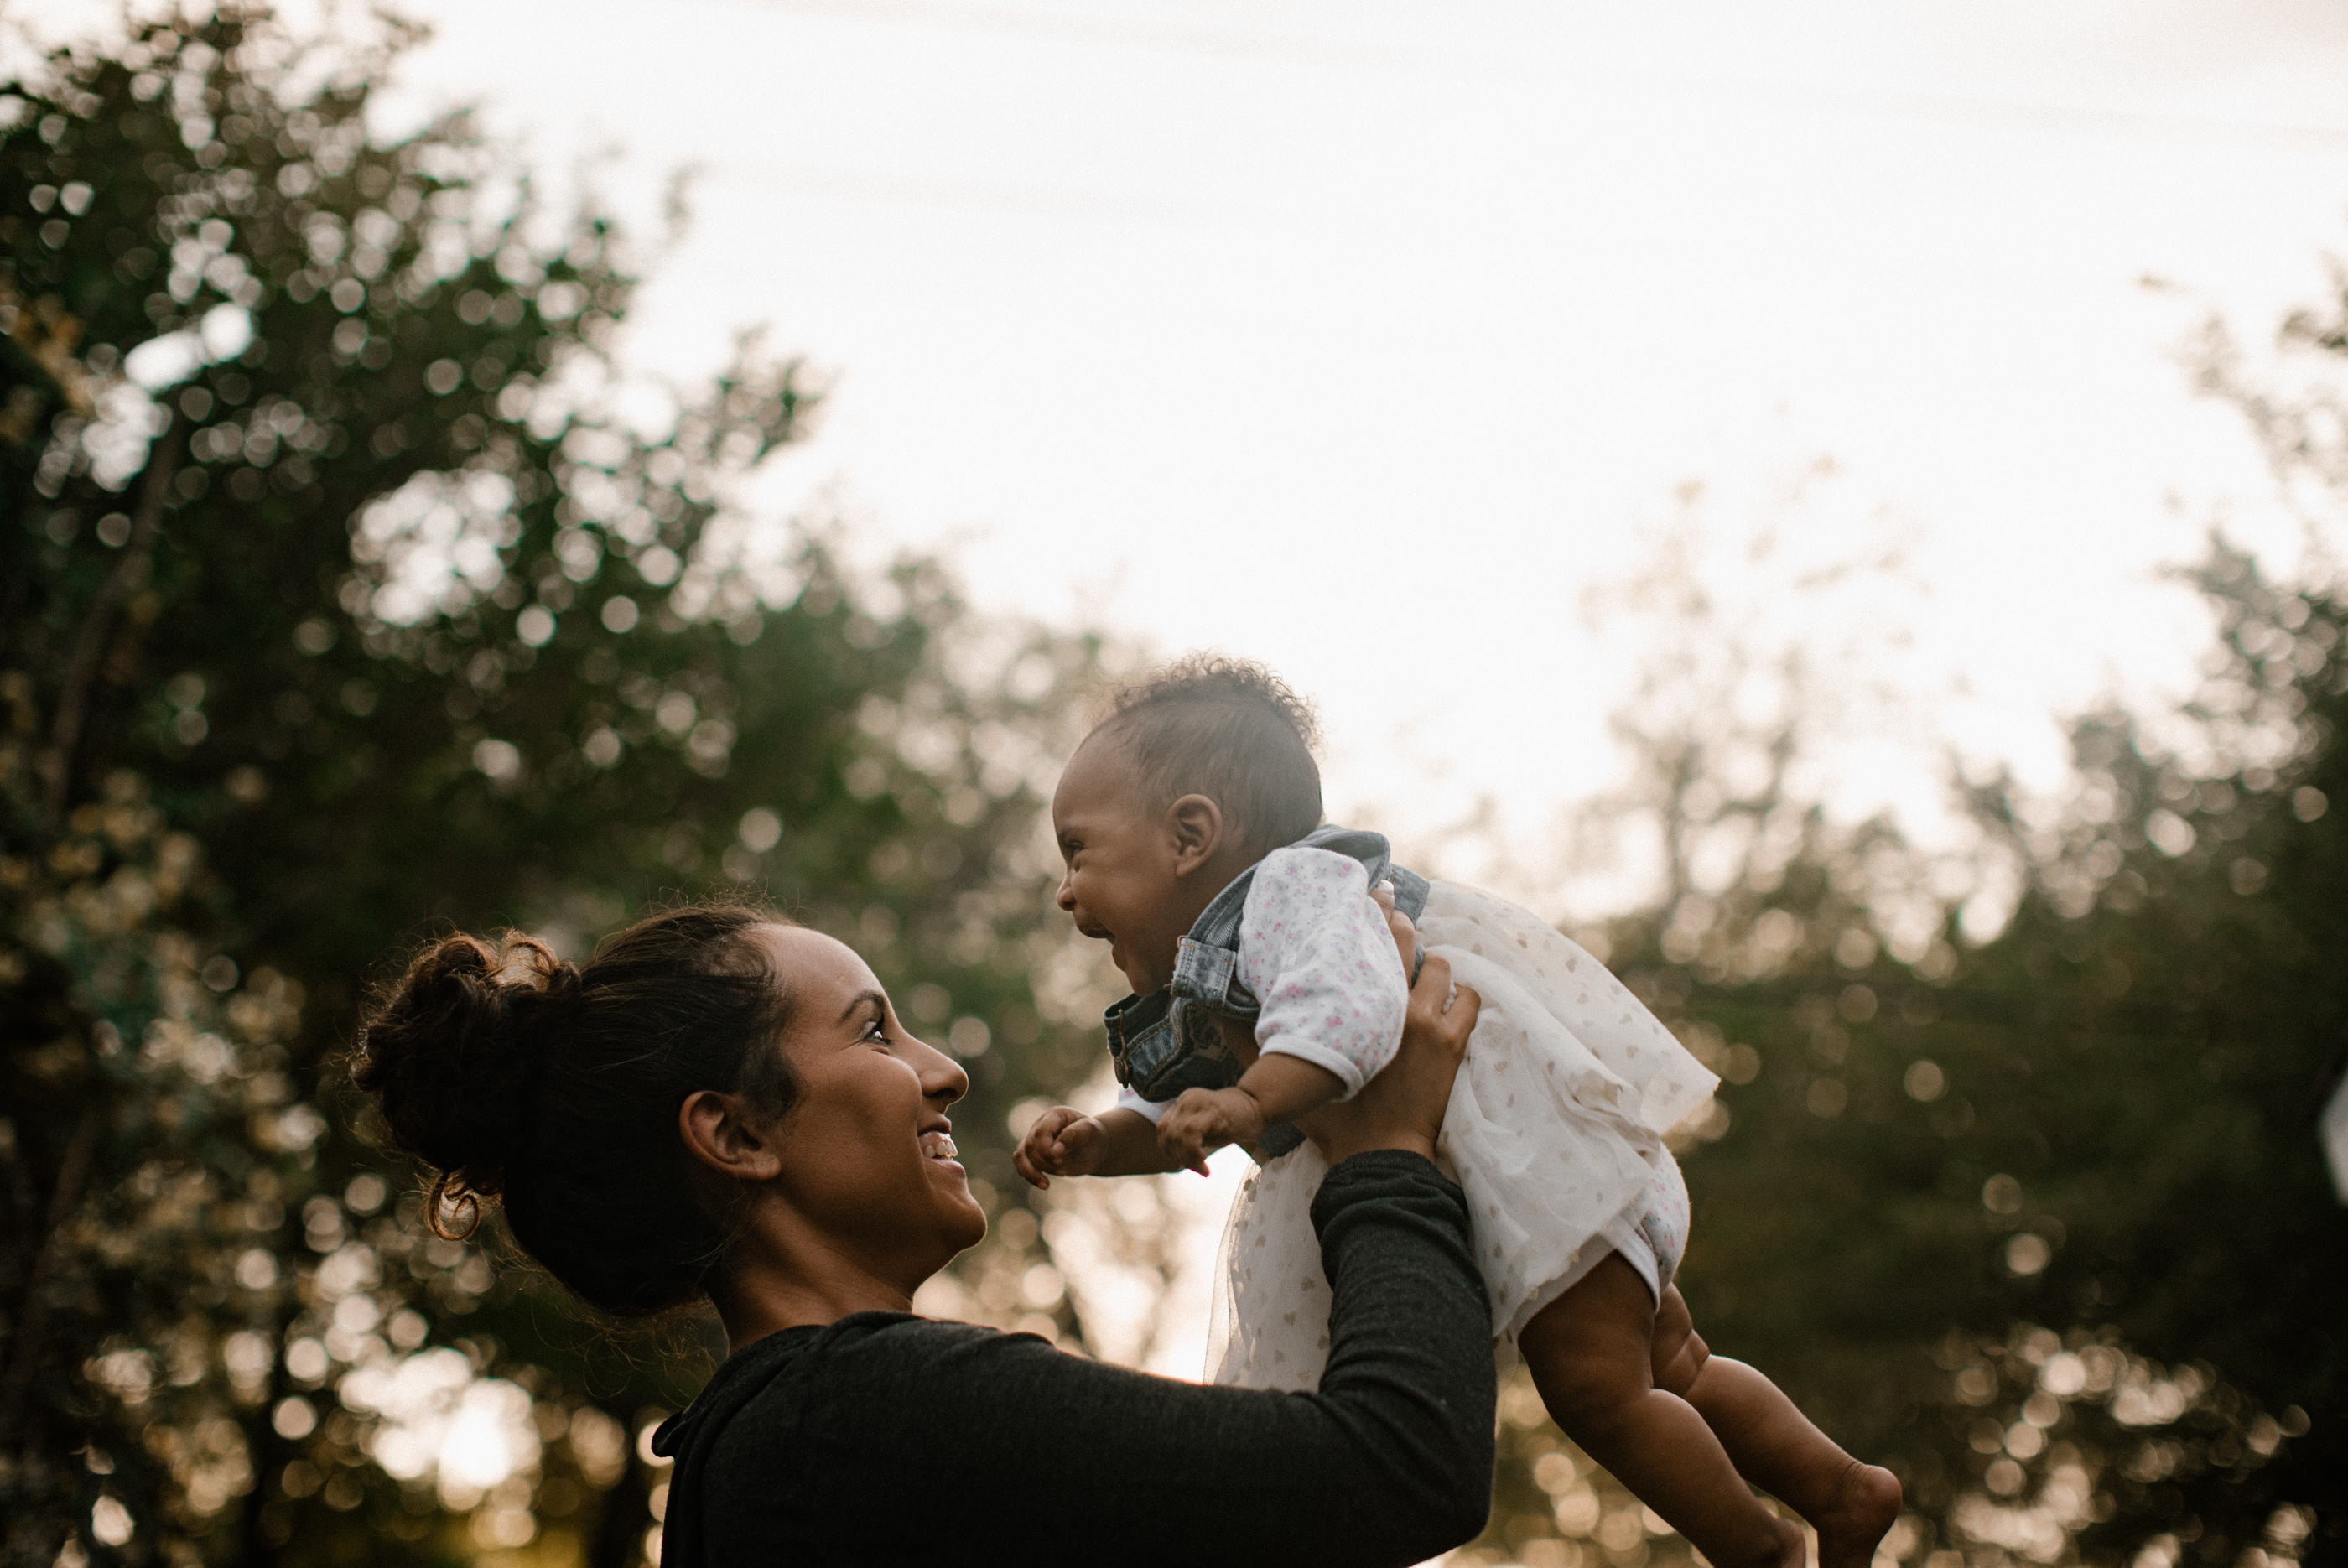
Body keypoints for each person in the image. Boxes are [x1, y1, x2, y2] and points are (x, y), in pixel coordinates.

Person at [1014, 657, 1902, 1568]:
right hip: (1532, 1175)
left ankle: (1761, 1552)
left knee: (1596, 1388)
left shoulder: (1292, 894)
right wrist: (1099, 1140)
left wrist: (1245, 1100)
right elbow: (1171, 1115)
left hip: (1526, 1161)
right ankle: (1840, 1488)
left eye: (1078, 852)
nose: (1065, 890)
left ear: (1190, 835)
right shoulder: (1211, 971)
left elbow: (1346, 1013)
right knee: (1673, 1364)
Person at [353, 899, 1493, 1567]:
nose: (944, 1070)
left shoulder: (773, 1448)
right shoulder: (860, 1411)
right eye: (874, 1032)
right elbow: (1399, 1465)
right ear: (737, 1133)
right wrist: (1385, 1151)